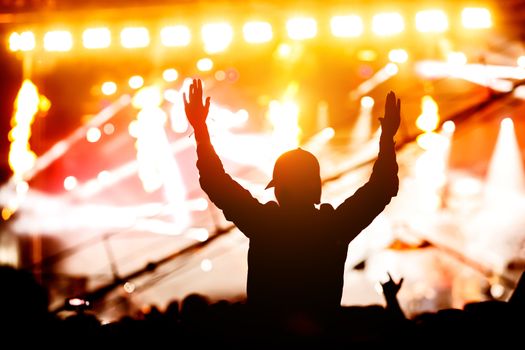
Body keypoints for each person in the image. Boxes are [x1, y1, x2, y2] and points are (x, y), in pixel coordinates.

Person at [184, 79, 400, 314]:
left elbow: (215, 181)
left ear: (280, 188)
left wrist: (200, 130)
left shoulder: (263, 223)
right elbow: (381, 189)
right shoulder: (334, 227)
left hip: (270, 338)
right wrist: (386, 138)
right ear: (315, 188)